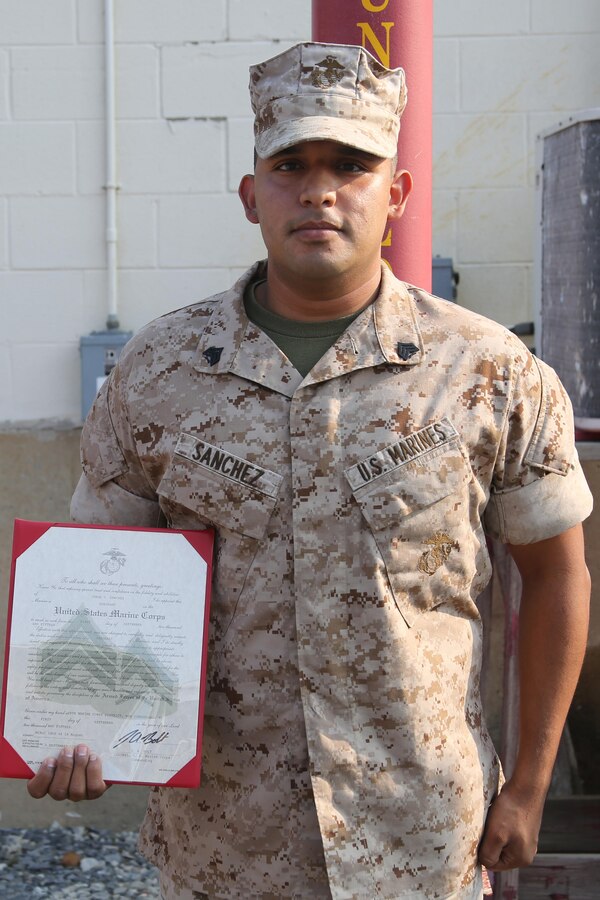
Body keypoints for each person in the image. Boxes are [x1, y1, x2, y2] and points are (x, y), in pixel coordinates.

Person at [27, 42, 592, 899]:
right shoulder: (158, 372)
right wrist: (80, 730)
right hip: (224, 847)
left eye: (352, 165)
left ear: (394, 195)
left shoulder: (489, 373)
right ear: (253, 194)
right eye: (291, 164)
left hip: (418, 845)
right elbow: (100, 579)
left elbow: (556, 576)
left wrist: (529, 785)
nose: (320, 190)